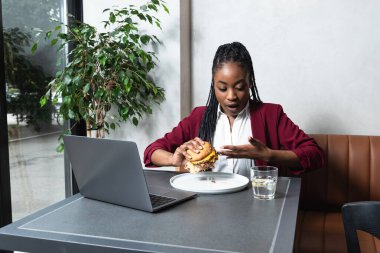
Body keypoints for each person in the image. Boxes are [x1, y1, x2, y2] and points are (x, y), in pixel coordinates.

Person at [144, 42, 324, 178]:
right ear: (213, 85)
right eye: (222, 88)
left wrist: (269, 154)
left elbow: (315, 155)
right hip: (207, 208)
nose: (231, 96)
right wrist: (172, 160)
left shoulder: (271, 115)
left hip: (256, 204)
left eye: (239, 87)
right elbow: (152, 151)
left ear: (250, 83)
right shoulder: (199, 116)